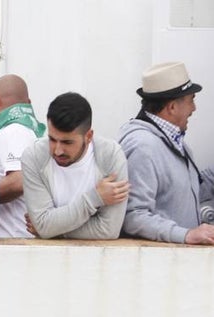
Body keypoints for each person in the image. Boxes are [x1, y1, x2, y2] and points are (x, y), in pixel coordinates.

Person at [118, 61, 214, 244]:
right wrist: (186, 235)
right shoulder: (143, 147)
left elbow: (185, 194)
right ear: (172, 107)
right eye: (191, 100)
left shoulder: (173, 142)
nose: (194, 108)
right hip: (159, 260)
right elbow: (133, 216)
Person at [22, 92, 129, 240]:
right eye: (52, 139)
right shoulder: (34, 157)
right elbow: (43, 225)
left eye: (67, 142)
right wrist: (94, 198)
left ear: (89, 136)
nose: (58, 150)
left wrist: (53, 230)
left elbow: (108, 230)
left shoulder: (111, 156)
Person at [0, 74, 46, 238]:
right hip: (20, 237)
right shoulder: (29, 131)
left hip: (14, 239)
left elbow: (18, 181)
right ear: (29, 103)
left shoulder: (14, 131)